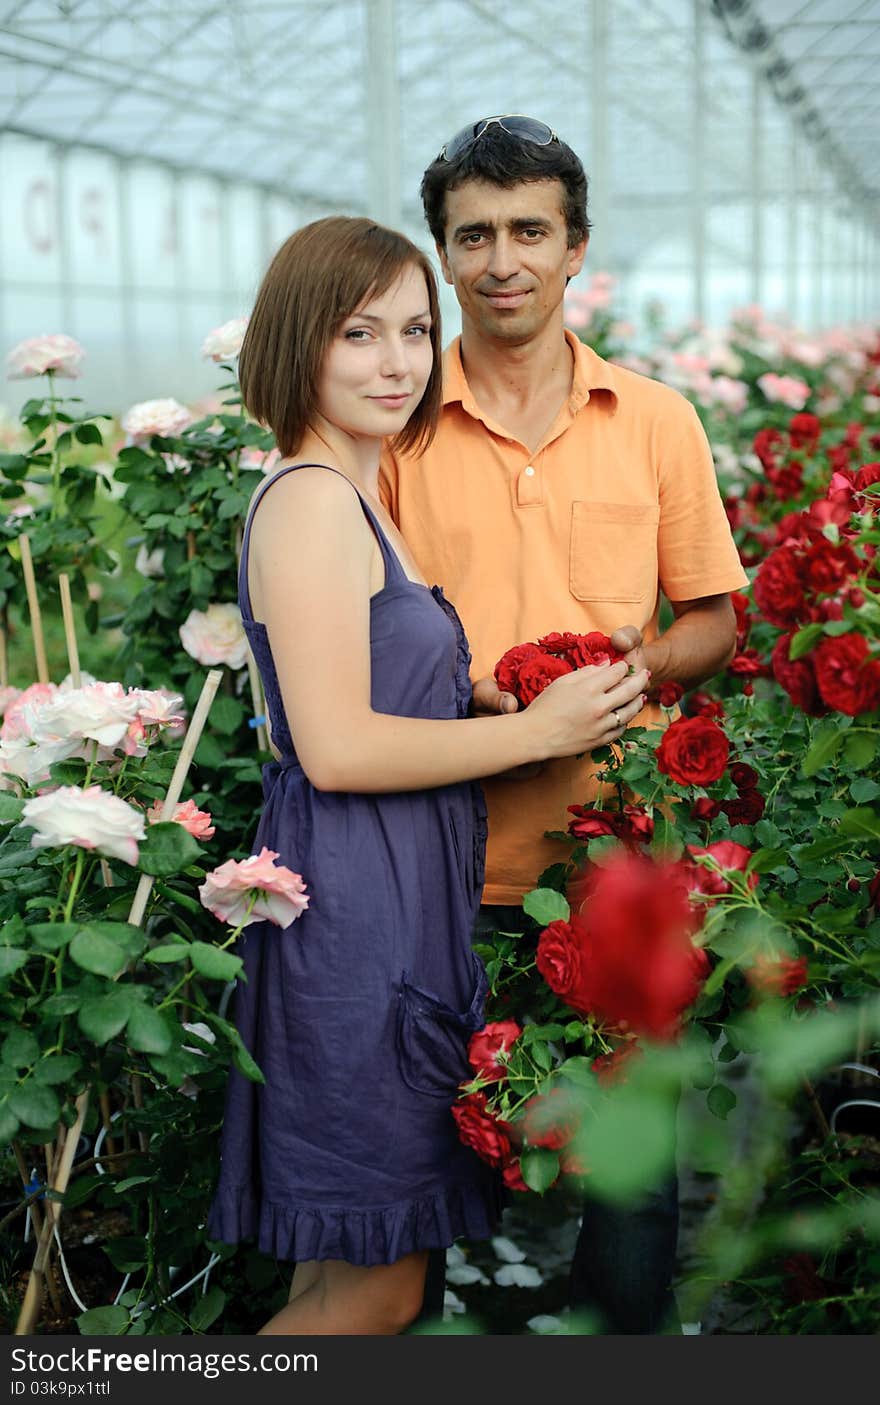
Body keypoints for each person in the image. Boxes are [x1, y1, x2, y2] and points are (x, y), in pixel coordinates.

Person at [206, 214, 650, 1336]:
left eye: (414, 328)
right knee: (381, 1283)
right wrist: (534, 732)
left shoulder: (356, 495)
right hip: (356, 913)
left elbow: (365, 698)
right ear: (296, 343)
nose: (396, 361)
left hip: (391, 902)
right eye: (358, 333)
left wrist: (475, 698)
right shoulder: (310, 499)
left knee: (344, 1268)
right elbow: (339, 747)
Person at [379, 116, 750, 1333]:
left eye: (528, 230)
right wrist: (483, 698)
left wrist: (629, 671)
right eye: (472, 234)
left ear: (575, 246)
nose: (501, 260)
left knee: (630, 1169)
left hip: (613, 853)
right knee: (421, 1158)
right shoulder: (391, 429)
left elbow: (714, 617)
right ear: (441, 252)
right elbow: (353, 639)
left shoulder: (652, 418)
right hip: (432, 852)